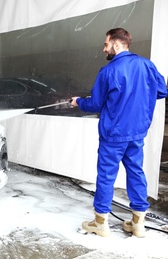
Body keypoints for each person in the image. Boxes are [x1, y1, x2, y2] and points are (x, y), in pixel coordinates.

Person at [70, 28, 167, 237]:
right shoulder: (147, 65)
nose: (104, 49)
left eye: (106, 44)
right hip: (137, 133)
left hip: (113, 134)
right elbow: (162, 90)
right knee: (136, 172)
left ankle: (100, 223)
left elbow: (95, 104)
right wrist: (140, 97)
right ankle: (138, 223)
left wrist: (78, 102)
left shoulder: (108, 71)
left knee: (106, 176)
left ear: (116, 44)